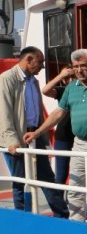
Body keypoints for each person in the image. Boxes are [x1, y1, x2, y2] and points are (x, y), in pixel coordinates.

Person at [24, 48, 87, 225]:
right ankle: (76, 223)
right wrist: (37, 132)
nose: (79, 70)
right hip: (79, 143)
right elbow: (58, 113)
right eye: (75, 66)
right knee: (75, 186)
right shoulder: (71, 88)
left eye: (83, 65)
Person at [0, 46, 68, 217]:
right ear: (28, 59)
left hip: (34, 137)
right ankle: (23, 219)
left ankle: (62, 216)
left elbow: (36, 111)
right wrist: (11, 141)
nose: (43, 66)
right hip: (16, 140)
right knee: (21, 182)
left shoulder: (33, 81)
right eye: (41, 62)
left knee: (47, 177)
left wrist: (41, 136)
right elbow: (4, 112)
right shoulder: (6, 79)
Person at [42, 63, 75, 184]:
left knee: (81, 173)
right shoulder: (63, 91)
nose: (70, 80)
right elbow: (45, 90)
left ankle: (80, 201)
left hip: (81, 138)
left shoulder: (85, 91)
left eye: (73, 77)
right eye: (67, 78)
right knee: (61, 174)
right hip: (63, 136)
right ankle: (59, 202)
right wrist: (60, 76)